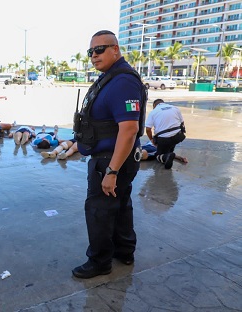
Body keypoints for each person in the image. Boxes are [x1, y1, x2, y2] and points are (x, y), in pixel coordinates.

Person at [72, 30, 147, 279]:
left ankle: (100, 261)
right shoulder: (111, 78)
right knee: (121, 206)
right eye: (91, 51)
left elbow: (129, 130)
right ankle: (124, 251)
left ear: (116, 49)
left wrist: (112, 171)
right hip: (115, 160)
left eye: (100, 49)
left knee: (99, 211)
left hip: (111, 161)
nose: (94, 56)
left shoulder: (123, 81)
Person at [145, 99, 187, 169]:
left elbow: (148, 129)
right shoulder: (175, 108)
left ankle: (166, 157)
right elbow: (182, 123)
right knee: (169, 146)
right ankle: (170, 154)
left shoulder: (153, 112)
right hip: (178, 137)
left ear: (154, 106)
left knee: (158, 156)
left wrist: (152, 140)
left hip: (163, 140)